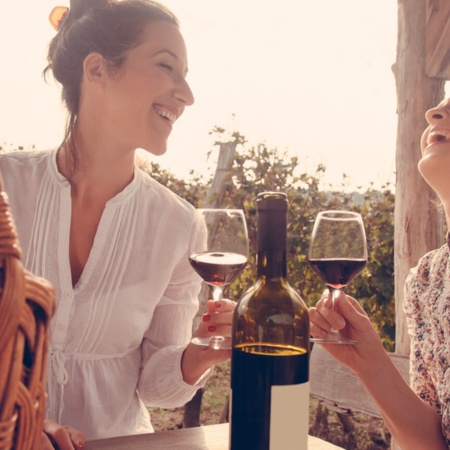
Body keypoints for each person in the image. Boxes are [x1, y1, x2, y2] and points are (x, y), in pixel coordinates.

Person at [0, 1, 234, 448]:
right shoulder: (5, 185)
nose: (186, 94)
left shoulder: (179, 225)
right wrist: (31, 424)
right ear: (97, 69)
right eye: (167, 67)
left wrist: (197, 354)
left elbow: (154, 386)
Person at [309, 97, 450, 449]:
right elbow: (429, 443)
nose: (434, 112)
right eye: (443, 101)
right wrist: (370, 361)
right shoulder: (428, 279)